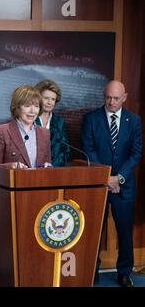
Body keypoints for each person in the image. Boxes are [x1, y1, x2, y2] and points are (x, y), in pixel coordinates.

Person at [82, 80, 142, 287]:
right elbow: (89, 149)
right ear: (103, 95)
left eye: (116, 98)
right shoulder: (90, 119)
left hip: (124, 187)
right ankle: (92, 270)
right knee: (94, 231)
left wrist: (119, 178)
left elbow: (135, 153)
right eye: (108, 97)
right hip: (99, 185)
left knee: (125, 232)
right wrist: (105, 178)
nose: (111, 102)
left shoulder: (134, 121)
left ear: (124, 97)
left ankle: (124, 272)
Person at [0, 85, 52, 168]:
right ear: (17, 107)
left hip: (39, 180)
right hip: (13, 180)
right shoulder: (2, 131)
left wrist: (48, 166)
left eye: (36, 106)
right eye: (27, 106)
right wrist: (11, 166)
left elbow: (48, 163)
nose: (32, 111)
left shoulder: (45, 133)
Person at [34, 79, 70, 167]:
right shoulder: (30, 119)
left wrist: (52, 167)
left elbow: (65, 150)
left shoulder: (59, 122)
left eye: (53, 99)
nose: (49, 102)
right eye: (46, 98)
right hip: (32, 171)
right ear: (38, 98)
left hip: (54, 171)